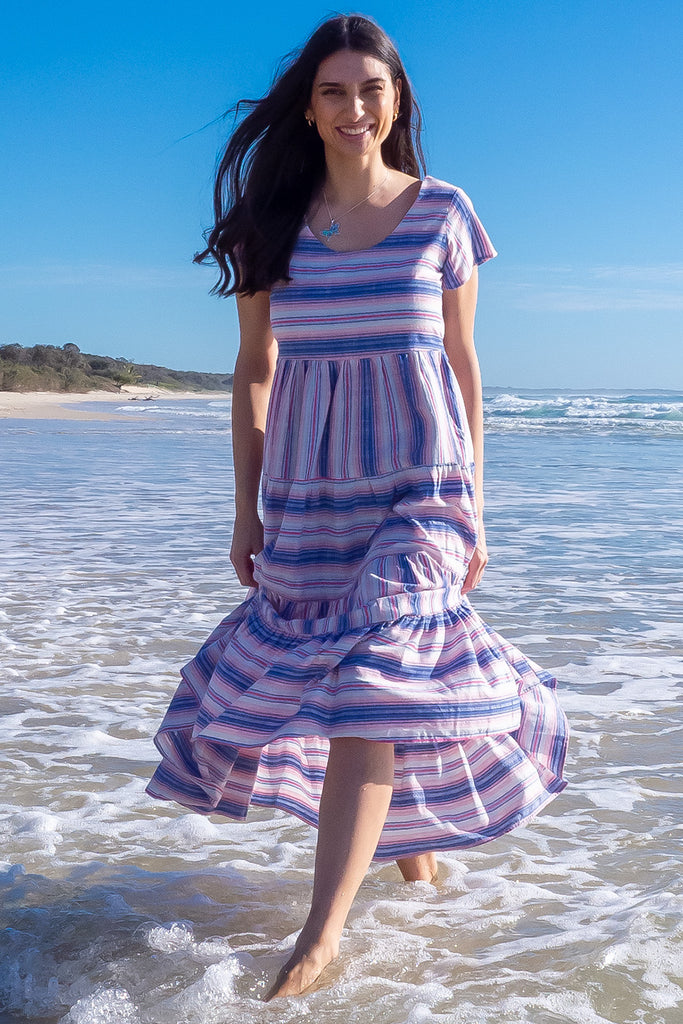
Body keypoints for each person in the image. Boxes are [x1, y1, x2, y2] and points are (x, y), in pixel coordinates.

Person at [146, 13, 569, 1000]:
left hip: (420, 489)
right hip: (307, 493)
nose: (352, 108)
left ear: (396, 102)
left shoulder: (443, 212)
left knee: (376, 671)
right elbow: (254, 374)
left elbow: (462, 366)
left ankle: (319, 931)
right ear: (309, 106)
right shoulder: (272, 227)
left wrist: (474, 501)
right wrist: (245, 511)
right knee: (350, 689)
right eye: (332, 92)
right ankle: (413, 859)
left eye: (369, 90)